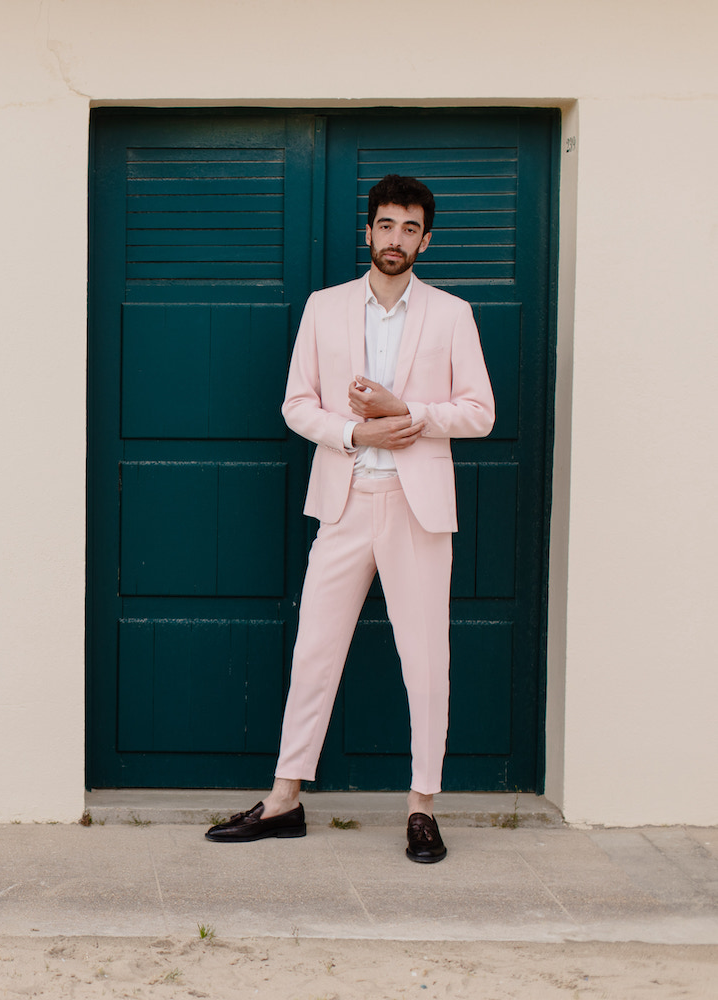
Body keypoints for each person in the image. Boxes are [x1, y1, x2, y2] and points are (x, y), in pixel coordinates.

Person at [204, 175, 495, 863]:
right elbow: (296, 404)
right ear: (367, 232)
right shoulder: (324, 309)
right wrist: (356, 435)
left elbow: (480, 413)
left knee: (426, 662)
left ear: (428, 238)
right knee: (314, 654)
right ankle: (284, 799)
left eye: (410, 228)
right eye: (386, 225)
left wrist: (407, 412)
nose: (396, 239)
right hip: (344, 502)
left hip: (418, 511)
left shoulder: (451, 315)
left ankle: (422, 807)